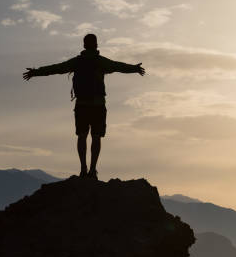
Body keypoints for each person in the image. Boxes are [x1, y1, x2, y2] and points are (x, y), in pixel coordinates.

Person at [23, 33, 145, 179]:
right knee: (96, 137)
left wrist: (36, 72)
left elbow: (57, 68)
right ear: (96, 45)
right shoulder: (101, 61)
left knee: (82, 136)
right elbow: (117, 66)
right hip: (98, 105)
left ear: (84, 45)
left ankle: (83, 169)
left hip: (81, 104)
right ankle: (93, 170)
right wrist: (135, 68)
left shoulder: (77, 62)